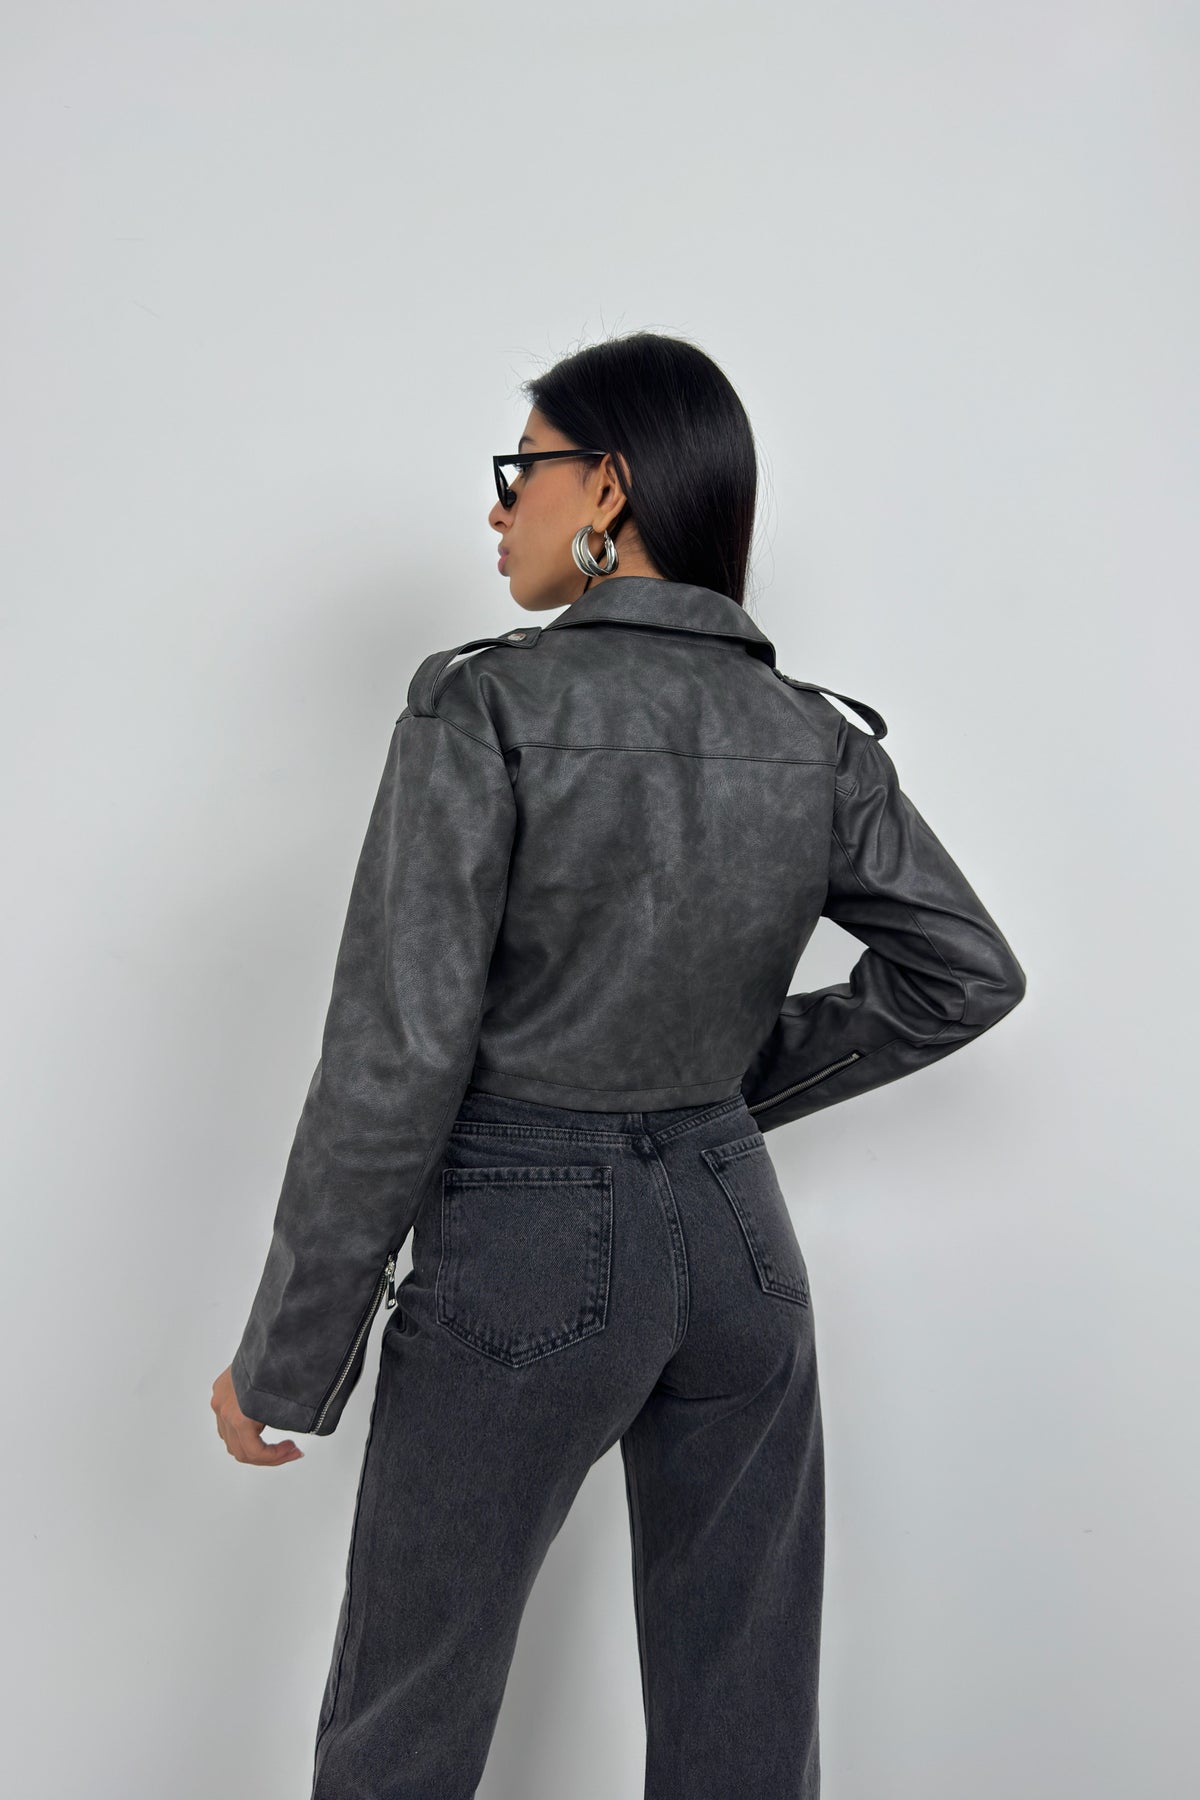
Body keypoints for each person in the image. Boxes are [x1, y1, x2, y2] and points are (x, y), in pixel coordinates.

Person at [210, 329, 1026, 1799]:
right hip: (739, 1247)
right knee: (744, 1723)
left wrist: (290, 1357)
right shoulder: (813, 736)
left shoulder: (486, 706)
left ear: (609, 487)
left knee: (405, 1718)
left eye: (522, 467)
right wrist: (710, 1087)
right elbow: (963, 973)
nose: (498, 505)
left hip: (523, 1250)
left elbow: (398, 1057)